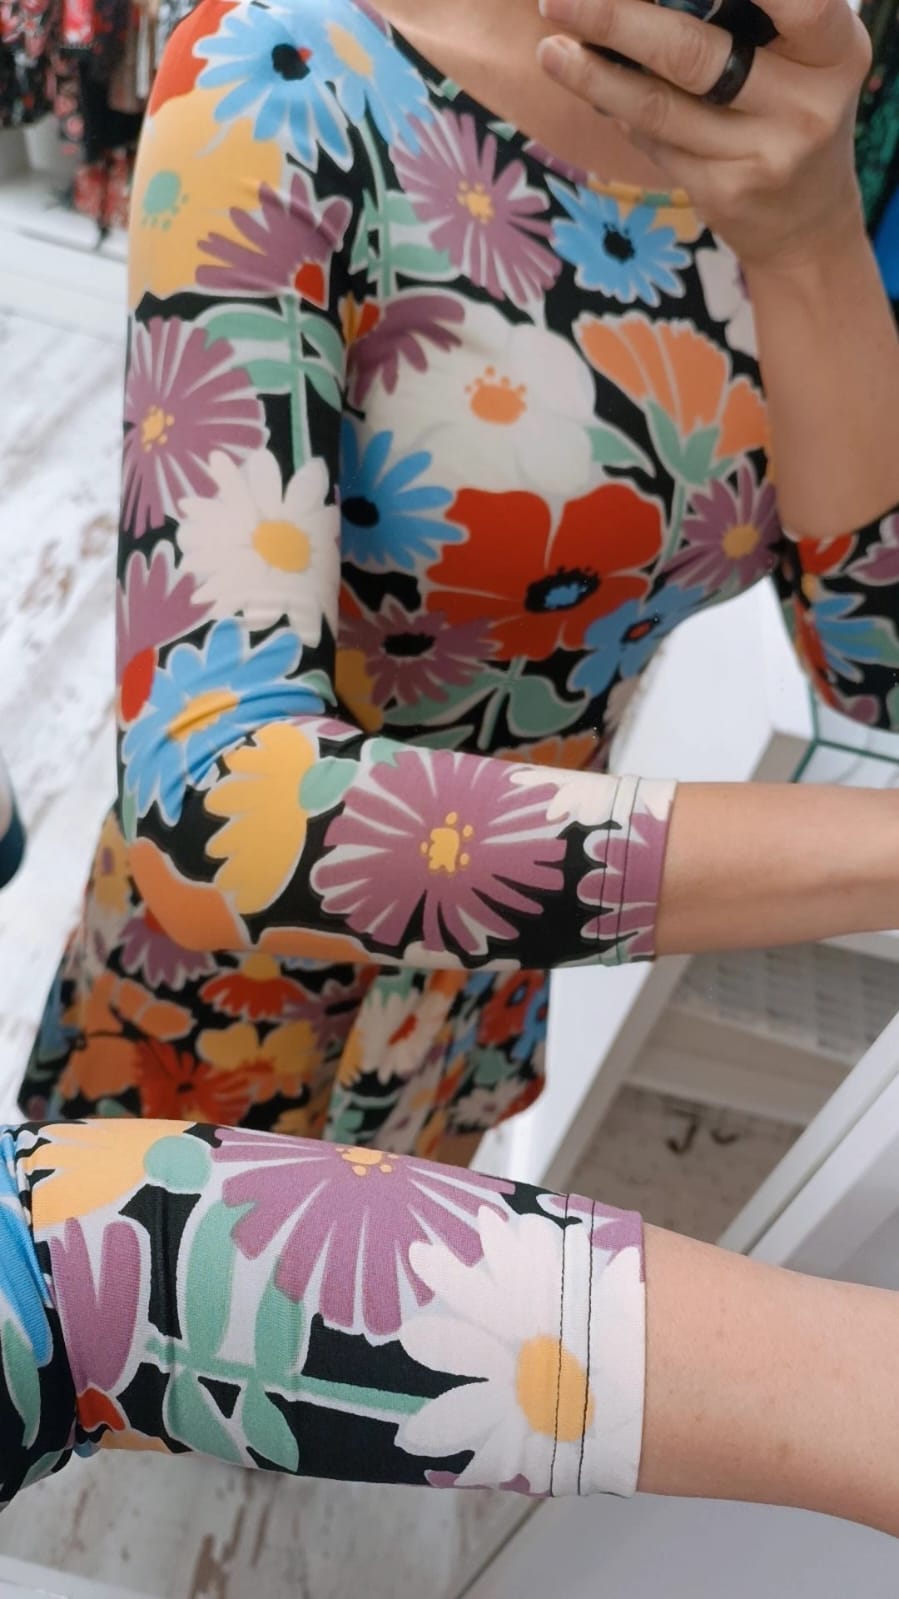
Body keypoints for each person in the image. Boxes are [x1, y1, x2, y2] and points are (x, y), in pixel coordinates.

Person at [17, 0, 899, 1180]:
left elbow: (873, 660)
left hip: (484, 979)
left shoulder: (796, 118)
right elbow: (210, 803)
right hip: (227, 998)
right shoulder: (285, 74)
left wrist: (812, 240)